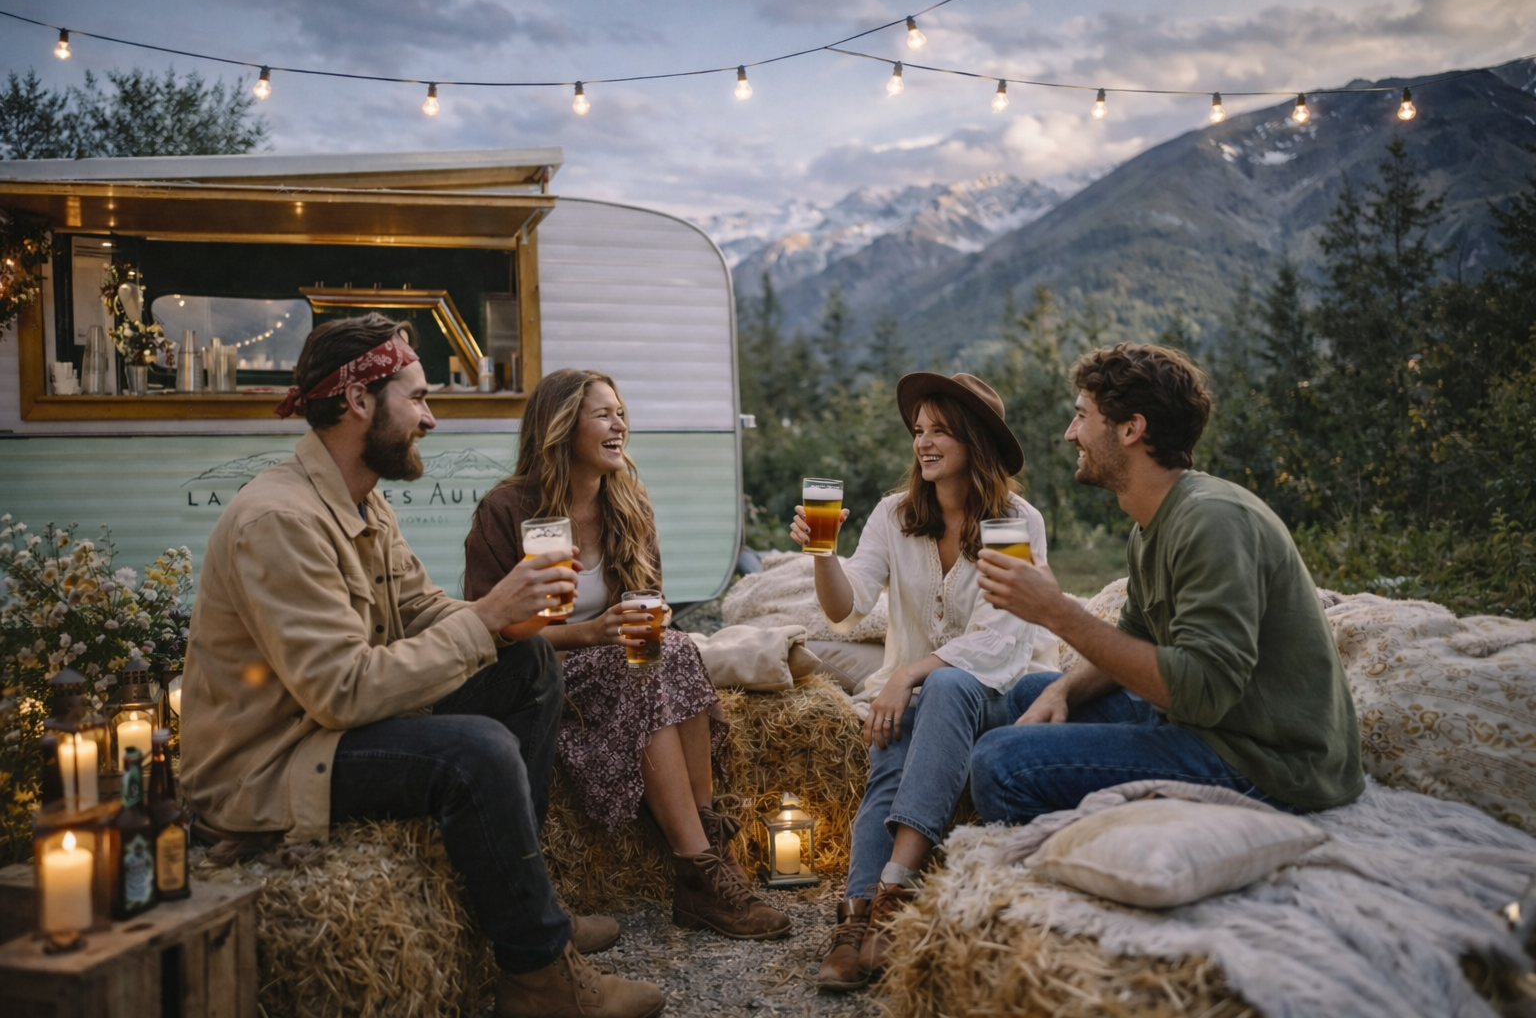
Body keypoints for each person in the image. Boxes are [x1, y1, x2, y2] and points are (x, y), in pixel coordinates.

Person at [180, 315, 665, 1018]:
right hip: (271, 762)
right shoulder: (280, 520)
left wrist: (512, 622)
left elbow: (426, 611)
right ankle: (537, 972)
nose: (430, 418)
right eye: (418, 397)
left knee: (528, 662)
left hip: (321, 731)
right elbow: (340, 693)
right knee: (478, 753)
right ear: (357, 403)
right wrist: (486, 616)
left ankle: (527, 898)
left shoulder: (363, 505)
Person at [970, 342, 1364, 829]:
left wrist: (1055, 612)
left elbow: (1203, 691)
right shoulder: (1151, 523)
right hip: (1213, 725)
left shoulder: (1213, 520)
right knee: (1035, 692)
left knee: (999, 763)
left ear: (1131, 428)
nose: (1071, 434)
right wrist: (1066, 691)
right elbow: (1137, 638)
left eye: (1082, 417)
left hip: (1270, 763)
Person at [463, 368, 791, 942]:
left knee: (677, 648)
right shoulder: (506, 510)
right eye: (604, 414)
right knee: (639, 665)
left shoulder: (627, 502)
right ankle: (696, 869)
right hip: (540, 678)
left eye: (620, 413)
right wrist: (593, 635)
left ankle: (707, 847)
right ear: (562, 428)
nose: (620, 425)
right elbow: (489, 636)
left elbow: (648, 602)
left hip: (614, 666)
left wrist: (650, 621)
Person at [793, 373, 1058, 992]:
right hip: (921, 697)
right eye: (918, 430)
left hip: (1007, 693)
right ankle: (861, 916)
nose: (924, 442)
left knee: (937, 689)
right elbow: (843, 608)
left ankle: (893, 888)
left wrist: (907, 673)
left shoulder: (1017, 522)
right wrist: (820, 554)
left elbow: (999, 639)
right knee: (898, 731)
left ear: (975, 440)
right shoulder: (894, 514)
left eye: (941, 429)